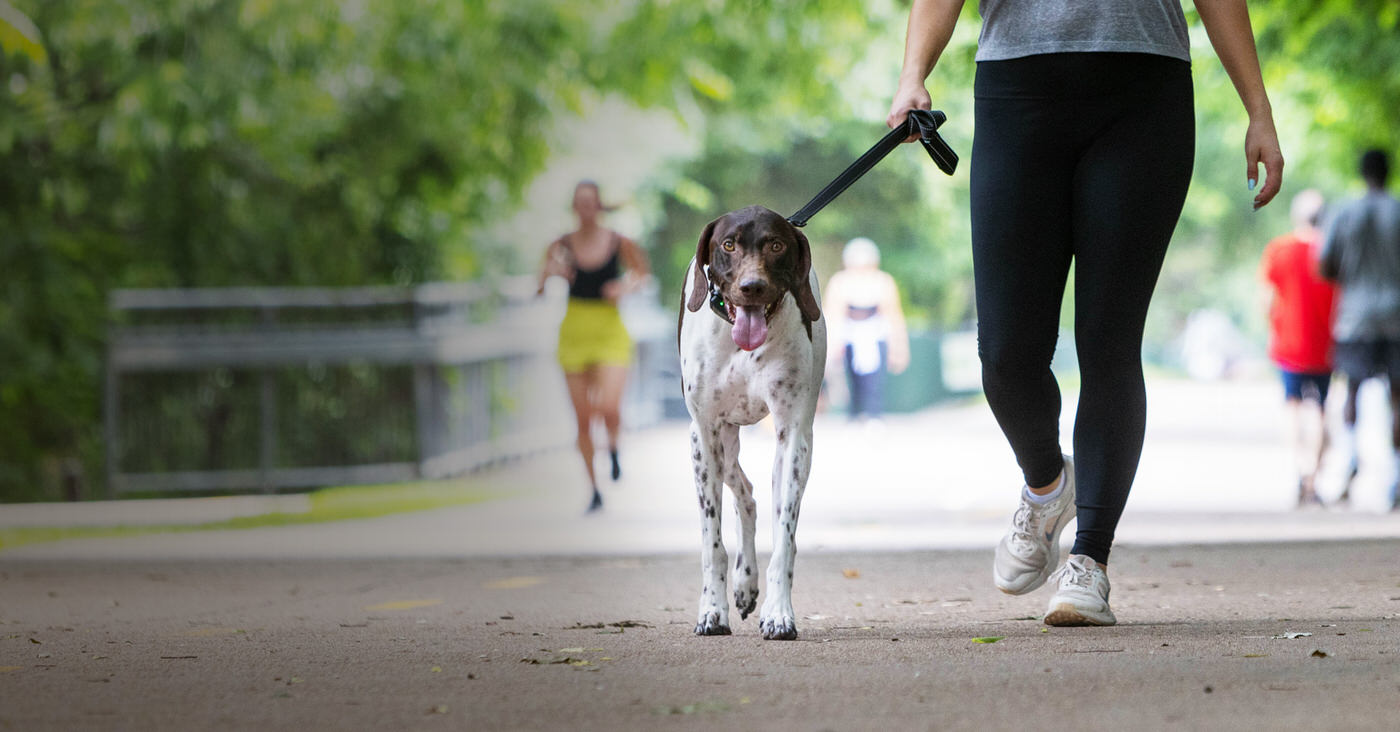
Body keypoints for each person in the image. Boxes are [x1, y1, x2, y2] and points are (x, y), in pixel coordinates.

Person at [888, 0, 1284, 626]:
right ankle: (1047, 484)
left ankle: (1089, 563)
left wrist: (1258, 110)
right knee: (1006, 355)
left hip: (1143, 94)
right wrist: (913, 72)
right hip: (1017, 91)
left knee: (1109, 341)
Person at [536, 181, 651, 513]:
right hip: (574, 331)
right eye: (580, 203)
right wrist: (551, 272)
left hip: (609, 329)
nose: (586, 208)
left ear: (600, 206)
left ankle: (613, 447)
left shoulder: (619, 242)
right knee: (583, 419)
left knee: (609, 409)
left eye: (591, 202)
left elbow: (641, 275)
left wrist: (623, 288)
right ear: (574, 207)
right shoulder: (560, 244)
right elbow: (540, 286)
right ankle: (593, 489)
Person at [1319, 149, 1400, 512]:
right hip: (1397, 316)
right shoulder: (1398, 211)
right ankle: (1395, 478)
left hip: (1354, 317)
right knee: (1397, 398)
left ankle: (1351, 461)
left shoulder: (1344, 211)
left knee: (1351, 393)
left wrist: (1352, 277)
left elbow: (1325, 264)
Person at [1260, 189, 1336, 508]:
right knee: (1318, 409)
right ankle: (1312, 480)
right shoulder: (1331, 252)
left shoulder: (1279, 249)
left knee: (1292, 407)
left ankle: (1299, 470)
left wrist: (1272, 328)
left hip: (1289, 343)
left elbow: (1266, 298)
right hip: (1325, 344)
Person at [823, 237, 911, 423]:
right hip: (848, 334)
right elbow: (833, 315)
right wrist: (832, 346)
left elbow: (893, 315)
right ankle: (854, 414)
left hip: (875, 333)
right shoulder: (840, 282)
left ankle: (874, 414)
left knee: (875, 378)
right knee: (851, 377)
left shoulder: (883, 281)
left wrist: (899, 348)